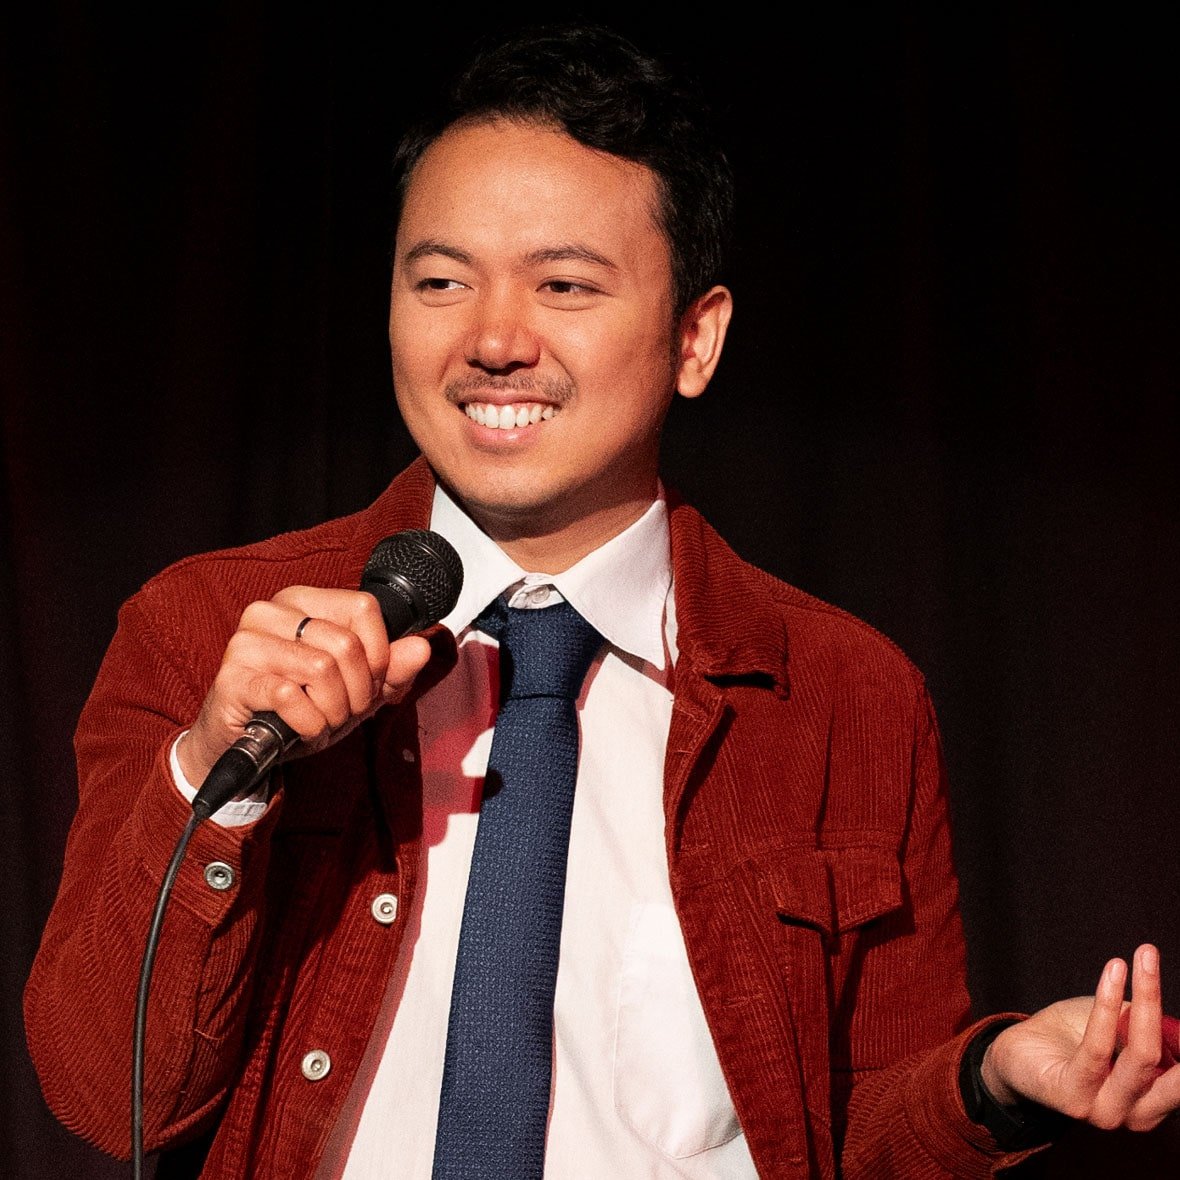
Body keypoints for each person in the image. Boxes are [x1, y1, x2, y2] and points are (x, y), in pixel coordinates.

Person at [24, 21, 1180, 1180]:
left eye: (564, 285)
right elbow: (105, 1095)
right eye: (440, 281)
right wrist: (220, 773)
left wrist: (991, 1081)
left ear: (695, 338)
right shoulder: (212, 627)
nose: (491, 339)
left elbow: (850, 1129)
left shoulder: (846, 694)